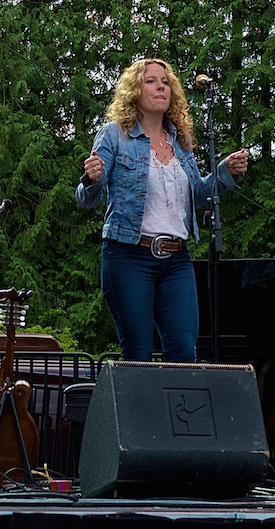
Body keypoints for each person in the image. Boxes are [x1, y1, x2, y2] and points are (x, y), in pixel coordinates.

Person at [76, 58, 249, 362]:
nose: (161, 87)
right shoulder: (115, 135)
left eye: (166, 82)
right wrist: (91, 179)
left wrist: (225, 172)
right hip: (128, 256)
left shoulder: (180, 142)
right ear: (134, 91)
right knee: (138, 353)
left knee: (183, 351)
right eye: (151, 81)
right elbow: (86, 200)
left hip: (177, 259)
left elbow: (197, 196)